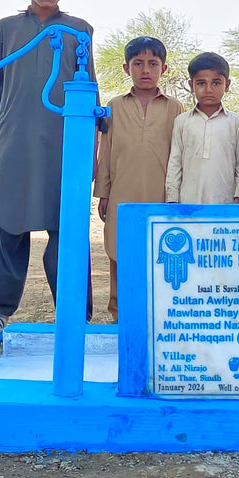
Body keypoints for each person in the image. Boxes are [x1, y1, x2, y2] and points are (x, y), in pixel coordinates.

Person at [0, 0, 96, 343]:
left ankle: (75, 315)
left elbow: (89, 94)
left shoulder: (79, 30)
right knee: (6, 226)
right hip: (14, 143)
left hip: (64, 146)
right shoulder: (5, 29)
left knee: (68, 228)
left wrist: (90, 152)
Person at [95, 36, 184, 320]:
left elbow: (179, 155)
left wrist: (177, 196)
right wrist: (104, 194)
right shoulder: (115, 106)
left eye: (152, 64)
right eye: (138, 63)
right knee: (120, 254)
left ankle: (160, 317)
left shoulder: (174, 108)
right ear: (126, 68)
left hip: (162, 196)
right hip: (122, 195)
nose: (145, 70)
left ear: (164, 68)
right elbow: (106, 153)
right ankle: (119, 316)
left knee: (161, 257)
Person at [165, 51, 239, 205]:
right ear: (191, 85)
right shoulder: (182, 121)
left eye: (216, 83)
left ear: (227, 85)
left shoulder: (235, 122)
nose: (209, 89)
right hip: (187, 202)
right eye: (201, 83)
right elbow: (175, 162)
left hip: (225, 202)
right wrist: (172, 199)